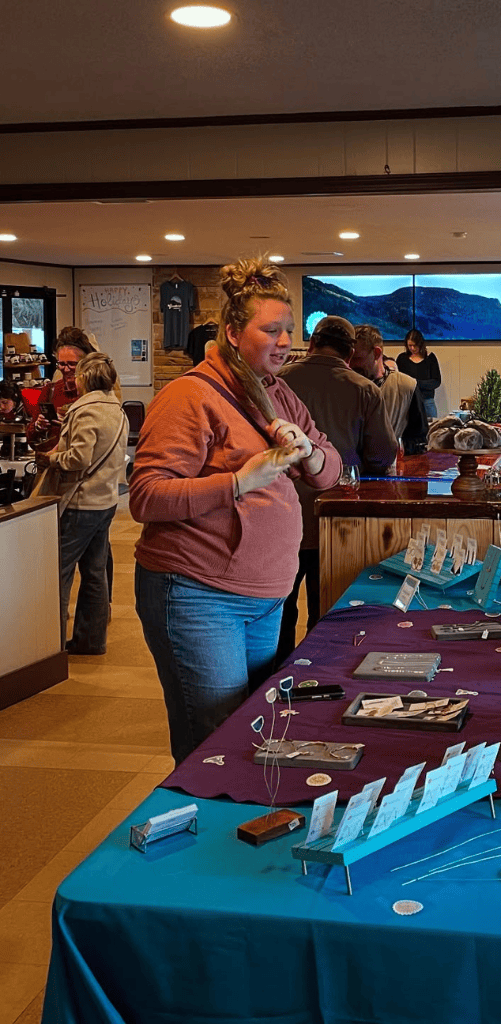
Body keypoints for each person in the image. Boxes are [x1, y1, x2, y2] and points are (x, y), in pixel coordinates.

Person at [130, 258, 341, 765]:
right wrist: (238, 482)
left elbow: (331, 469)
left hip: (265, 597)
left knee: (254, 736)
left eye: (290, 329)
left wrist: (309, 453)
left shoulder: (278, 393)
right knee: (214, 744)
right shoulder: (189, 396)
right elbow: (146, 495)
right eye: (271, 330)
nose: (285, 340)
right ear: (231, 332)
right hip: (199, 596)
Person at [276, 316, 397, 663]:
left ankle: (271, 687)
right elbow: (382, 455)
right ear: (349, 354)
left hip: (279, 517)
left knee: (276, 618)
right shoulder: (363, 389)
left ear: (311, 344)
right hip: (335, 520)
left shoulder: (277, 383)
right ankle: (313, 682)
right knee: (325, 614)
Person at [35, 352, 128, 655]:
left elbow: (78, 458)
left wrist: (50, 458)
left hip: (81, 503)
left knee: (59, 573)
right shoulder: (118, 409)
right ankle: (91, 640)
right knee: (95, 573)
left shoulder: (86, 410)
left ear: (86, 377)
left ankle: (49, 648)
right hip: (106, 500)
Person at [351, 324, 428, 454]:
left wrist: (397, 448)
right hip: (350, 471)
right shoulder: (345, 385)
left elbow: (419, 440)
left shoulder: (407, 387)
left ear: (377, 353)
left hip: (391, 470)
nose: (351, 364)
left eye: (357, 358)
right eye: (348, 358)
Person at [26, 327, 97, 452]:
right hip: (53, 466)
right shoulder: (50, 391)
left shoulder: (94, 393)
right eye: (61, 364)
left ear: (85, 363)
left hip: (82, 466)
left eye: (72, 364)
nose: (66, 369)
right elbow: (31, 440)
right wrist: (38, 426)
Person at [396, 328, 441, 418]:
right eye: (409, 346)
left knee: (432, 430)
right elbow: (397, 380)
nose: (412, 348)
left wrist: (416, 383)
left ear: (420, 344)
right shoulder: (402, 359)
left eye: (415, 345)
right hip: (407, 402)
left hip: (427, 402)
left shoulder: (430, 358)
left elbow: (436, 381)